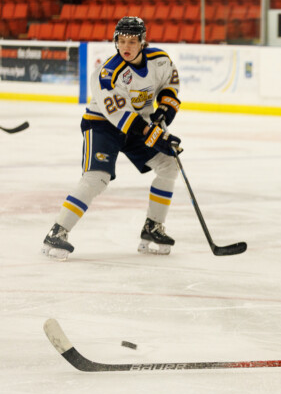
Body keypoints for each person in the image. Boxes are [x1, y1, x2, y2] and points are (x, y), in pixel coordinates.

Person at [42, 17, 183, 260]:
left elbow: (170, 88)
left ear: (143, 42)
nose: (126, 46)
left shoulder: (160, 60)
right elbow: (120, 116)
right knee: (97, 178)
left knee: (169, 165)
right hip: (103, 126)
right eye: (121, 40)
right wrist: (155, 135)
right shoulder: (108, 73)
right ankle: (58, 231)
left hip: (137, 125)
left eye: (132, 41)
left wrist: (163, 114)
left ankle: (152, 228)